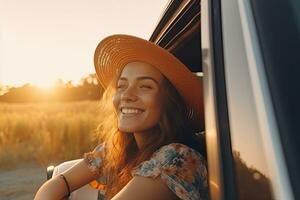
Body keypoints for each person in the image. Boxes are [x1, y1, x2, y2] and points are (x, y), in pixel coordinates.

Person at [34, 34, 208, 200]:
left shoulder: (178, 158)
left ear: (170, 102)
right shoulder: (118, 148)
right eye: (122, 86)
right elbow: (57, 183)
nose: (127, 95)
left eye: (145, 86)